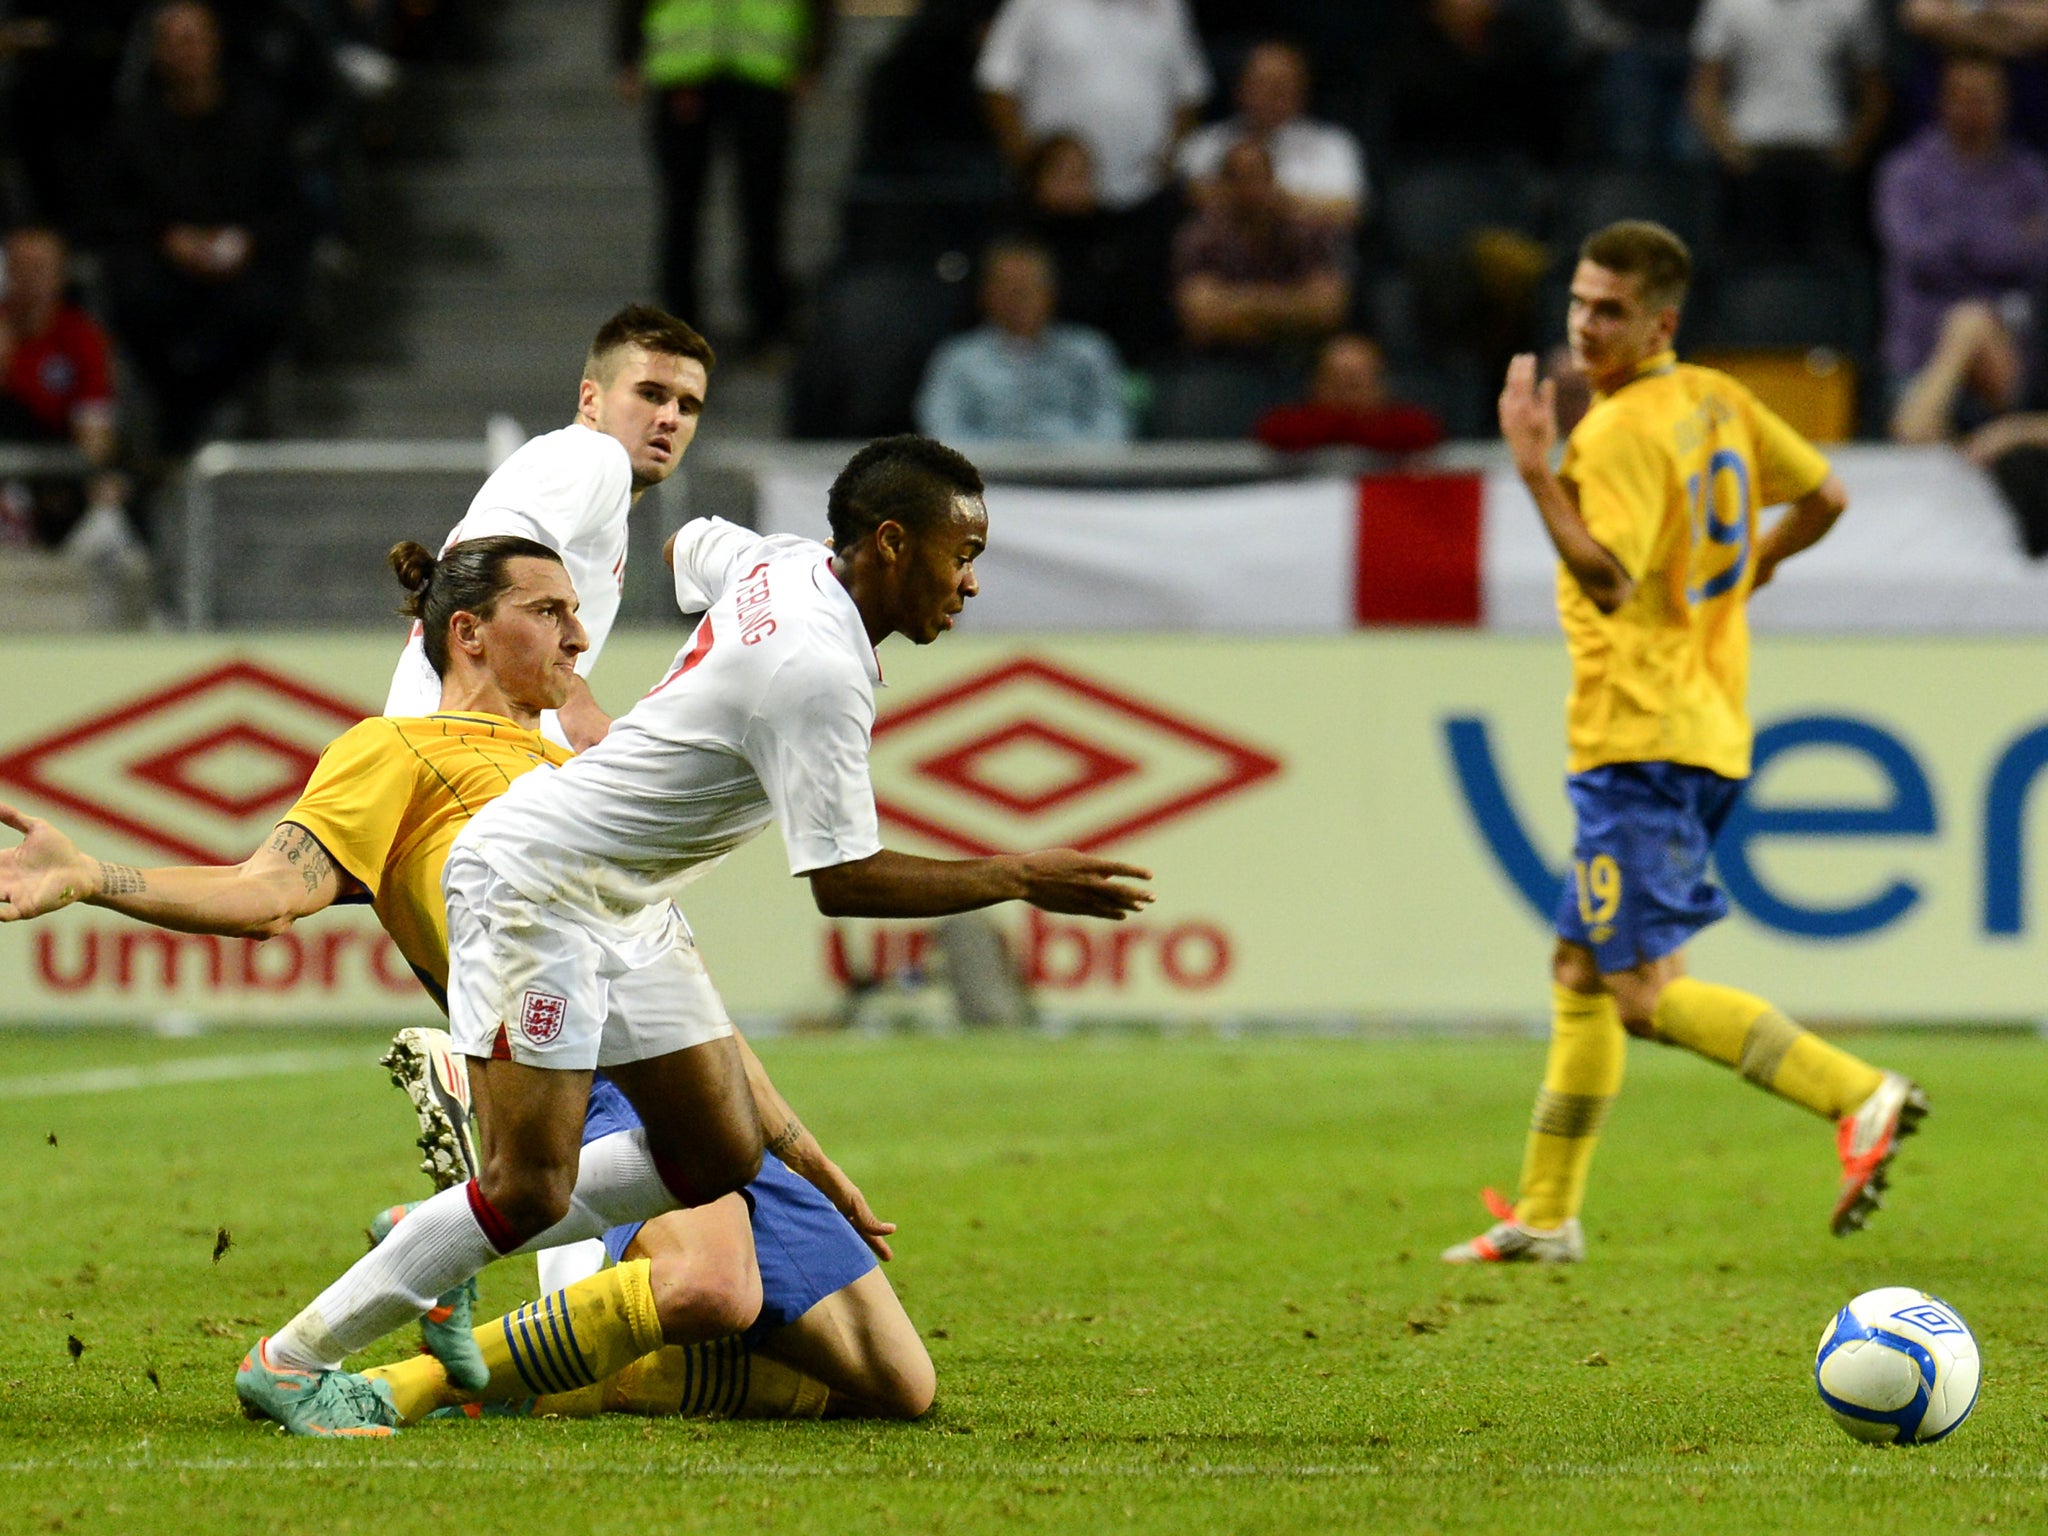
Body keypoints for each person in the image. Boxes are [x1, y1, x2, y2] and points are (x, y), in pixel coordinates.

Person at [234, 435, 1155, 1434]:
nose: (970, 583)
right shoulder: (817, 672)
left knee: (715, 1149)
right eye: (960, 553)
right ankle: (290, 1362)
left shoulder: (785, 564)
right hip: (532, 882)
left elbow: (691, 552)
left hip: (619, 898)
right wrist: (1017, 875)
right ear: (890, 543)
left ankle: (438, 1235)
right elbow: (842, 883)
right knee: (531, 1189)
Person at [0, 533, 933, 1426]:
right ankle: (408, 1366)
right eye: (549, 611)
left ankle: (509, 1300)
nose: (577, 634)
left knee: (894, 1382)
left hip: (679, 1065)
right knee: (714, 1285)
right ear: (469, 632)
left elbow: (677, 971)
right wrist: (93, 879)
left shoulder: (590, 771)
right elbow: (267, 892)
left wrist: (798, 1146)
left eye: (579, 612)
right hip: (568, 1071)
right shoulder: (399, 751)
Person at [1443, 221, 1927, 1266]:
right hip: (1703, 725)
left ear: (1659, 319)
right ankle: (1543, 1212)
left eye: (1607, 309)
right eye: (1576, 302)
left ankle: (1857, 1097)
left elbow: (1606, 578)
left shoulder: (1614, 435)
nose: (1582, 324)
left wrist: (1534, 473)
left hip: (1638, 735)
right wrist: (1752, 566)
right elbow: (1825, 496)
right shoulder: (1719, 400)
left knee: (1638, 993)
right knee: (1579, 971)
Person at [384, 303, 714, 751]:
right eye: (651, 394)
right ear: (590, 399)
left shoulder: (594, 495)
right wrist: (573, 702)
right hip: (462, 756)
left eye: (688, 406)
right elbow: (484, 564)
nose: (670, 417)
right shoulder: (594, 458)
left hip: (446, 754)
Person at [97, 0, 312, 453]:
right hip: (163, 263)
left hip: (244, 262)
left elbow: (290, 206)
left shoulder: (258, 117)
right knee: (136, 300)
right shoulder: (134, 124)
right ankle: (189, 413)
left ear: (215, 45)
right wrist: (168, 238)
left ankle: (194, 414)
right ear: (156, 52)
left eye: (192, 39)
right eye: (172, 42)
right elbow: (111, 208)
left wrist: (245, 240)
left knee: (263, 307)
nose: (184, 52)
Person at [612, 0, 832, 348]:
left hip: (760, 71)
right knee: (685, 208)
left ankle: (766, 320)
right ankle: (682, 321)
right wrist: (626, 53)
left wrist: (815, 57)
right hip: (690, 69)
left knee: (761, 206)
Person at [1877, 53, 2048, 443]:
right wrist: (2006, 238)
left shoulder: (2032, 176)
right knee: (1965, 320)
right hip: (1920, 350)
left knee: (1975, 319)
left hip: (2008, 357)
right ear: (1943, 101)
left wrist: (1956, 236)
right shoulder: (1905, 172)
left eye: (1983, 97)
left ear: (2004, 103)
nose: (1972, 109)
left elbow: (2039, 259)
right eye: (1962, 97)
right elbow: (1918, 256)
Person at [1689, 0, 1888, 256]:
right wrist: (1730, 152)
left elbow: (1875, 91)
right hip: (1751, 155)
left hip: (1826, 155)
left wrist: (1851, 153)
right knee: (1750, 263)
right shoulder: (1726, 4)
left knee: (1832, 263)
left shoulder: (1852, 5)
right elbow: (1704, 89)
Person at [976, 0, 1210, 215]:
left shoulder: (1168, 5)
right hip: (1052, 200)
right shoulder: (1031, 4)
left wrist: (1169, 160)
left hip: (1143, 194)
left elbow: (1190, 89)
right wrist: (1027, 164)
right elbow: (996, 81)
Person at [0, 226, 137, 559]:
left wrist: (92, 477)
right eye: (21, 267)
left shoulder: (80, 336)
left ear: (60, 274)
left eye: (41, 268)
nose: (31, 278)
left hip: (57, 467)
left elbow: (95, 428)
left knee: (111, 504)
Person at [915, 239, 1129, 443]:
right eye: (1008, 288)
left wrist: (1065, 461)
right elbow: (940, 427)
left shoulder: (1089, 351)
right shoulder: (958, 358)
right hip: (986, 476)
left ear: (1051, 293)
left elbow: (1114, 423)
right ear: (986, 294)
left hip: (1075, 475)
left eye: (1028, 287)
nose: (1017, 298)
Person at [1171, 140, 1347, 356]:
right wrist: (1291, 305)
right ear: (1220, 185)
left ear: (1272, 180)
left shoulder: (1306, 233)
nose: (1247, 188)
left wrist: (1237, 305)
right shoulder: (1200, 238)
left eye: (1255, 176)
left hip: (1297, 357)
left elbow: (1327, 309)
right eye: (1236, 178)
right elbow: (1201, 317)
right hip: (1221, 359)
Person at [1177, 39, 1367, 229]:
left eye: (1283, 86)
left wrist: (1262, 200)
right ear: (1240, 88)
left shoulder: (1334, 144)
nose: (1272, 95)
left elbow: (1349, 210)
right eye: (1263, 84)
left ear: (1303, 91)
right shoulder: (1204, 143)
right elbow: (1193, 195)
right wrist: (1294, 204)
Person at [1251, 333, 1445, 453]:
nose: (1345, 397)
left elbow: (1423, 431)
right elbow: (1272, 430)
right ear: (1316, 384)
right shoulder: (1293, 425)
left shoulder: (1403, 425)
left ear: (1379, 386)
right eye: (1336, 383)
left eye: (1354, 384)